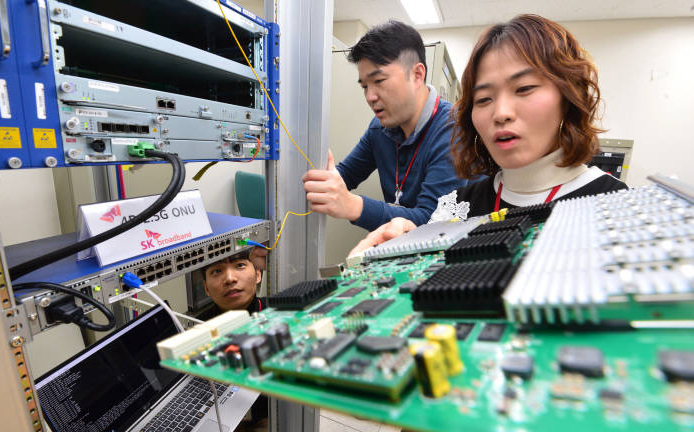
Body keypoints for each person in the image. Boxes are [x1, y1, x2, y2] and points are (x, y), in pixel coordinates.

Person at [349, 14, 628, 256]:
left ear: (568, 97)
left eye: (524, 89)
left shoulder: (615, 204)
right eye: (483, 99)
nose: (501, 113)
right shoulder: (456, 208)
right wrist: (411, 238)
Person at [302, 20, 470, 231]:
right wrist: (320, 178)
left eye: (379, 81)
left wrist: (353, 205)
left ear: (417, 75)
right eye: (364, 86)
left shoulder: (453, 128)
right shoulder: (379, 129)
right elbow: (346, 175)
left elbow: (433, 220)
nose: (370, 97)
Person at [198, 250, 268, 431]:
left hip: (272, 411)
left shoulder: (280, 312)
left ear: (258, 274)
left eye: (239, 266)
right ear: (206, 288)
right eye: (216, 271)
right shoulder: (196, 329)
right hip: (221, 416)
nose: (229, 278)